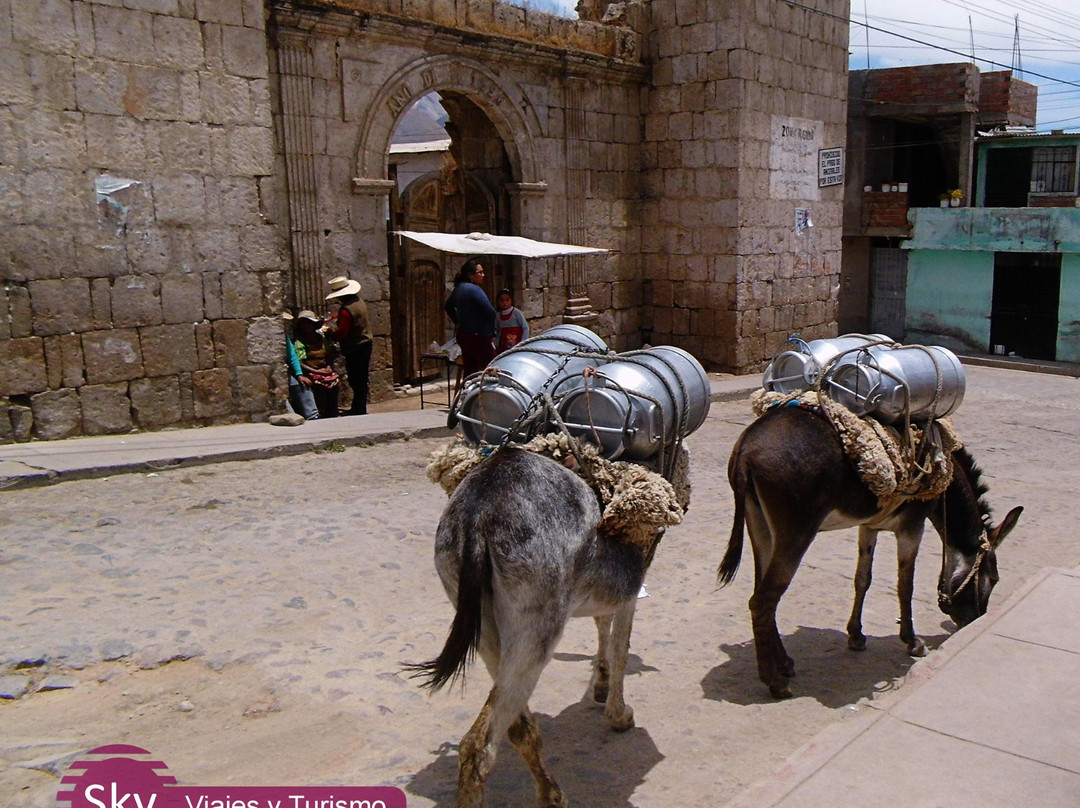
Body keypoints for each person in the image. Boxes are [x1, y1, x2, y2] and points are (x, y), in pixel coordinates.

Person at [325, 276, 373, 416]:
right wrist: (336, 316)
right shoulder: (359, 301)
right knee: (362, 379)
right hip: (366, 344)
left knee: (356, 379)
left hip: (355, 347)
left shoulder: (346, 310)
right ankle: (359, 407)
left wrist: (330, 333)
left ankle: (358, 409)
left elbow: (343, 333)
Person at [444, 258, 496, 377]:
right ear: (471, 275)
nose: (483, 275)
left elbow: (448, 306)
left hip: (465, 335)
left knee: (470, 371)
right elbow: (490, 312)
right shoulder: (474, 290)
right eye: (480, 272)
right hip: (479, 337)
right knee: (493, 368)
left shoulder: (458, 289)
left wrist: (458, 321)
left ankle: (468, 394)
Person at [293, 309, 339, 418]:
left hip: (323, 369)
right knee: (319, 386)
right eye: (304, 324)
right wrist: (317, 371)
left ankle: (332, 412)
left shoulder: (321, 338)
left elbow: (328, 355)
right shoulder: (299, 341)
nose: (307, 327)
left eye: (309, 324)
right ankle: (321, 412)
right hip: (310, 370)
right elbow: (300, 362)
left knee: (335, 382)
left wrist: (328, 367)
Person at [283, 312, 320, 421]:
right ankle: (290, 415)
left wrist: (299, 374)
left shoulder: (284, 337)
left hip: (287, 371)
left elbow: (292, 356)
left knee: (301, 384)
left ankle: (312, 415)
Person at [495, 288, 529, 353]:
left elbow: (525, 328)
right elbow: (497, 332)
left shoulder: (516, 313)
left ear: (511, 300)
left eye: (507, 300)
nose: (505, 303)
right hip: (503, 349)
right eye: (501, 301)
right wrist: (495, 345)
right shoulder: (498, 316)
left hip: (517, 347)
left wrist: (523, 344)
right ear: (498, 302)